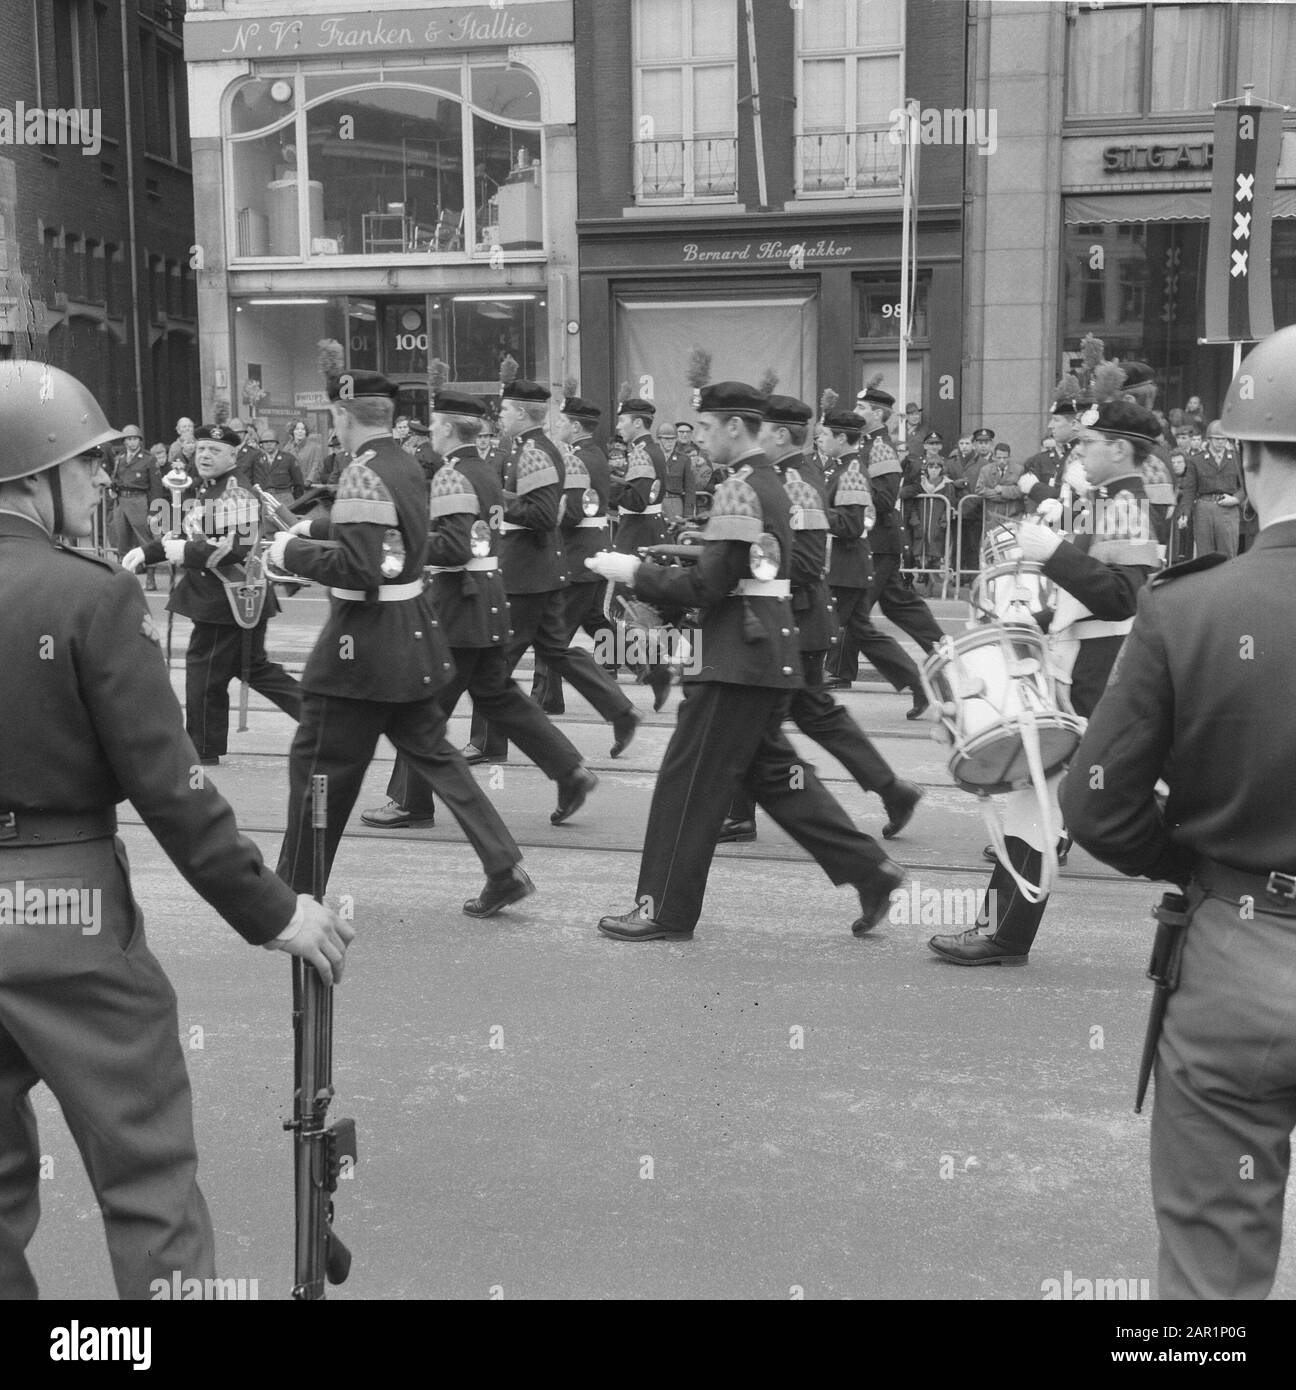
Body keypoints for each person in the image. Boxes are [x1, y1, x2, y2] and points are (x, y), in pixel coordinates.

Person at [0, 361, 350, 1300]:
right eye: (84, 468)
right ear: (33, 477)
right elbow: (173, 787)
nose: (98, 486)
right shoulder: (89, 594)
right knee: (146, 1176)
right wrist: (276, 912)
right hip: (63, 912)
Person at [1060, 326, 1296, 1299]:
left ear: (1243, 456)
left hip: (1240, 950)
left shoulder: (1193, 607)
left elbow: (1097, 804)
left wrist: (1193, 861)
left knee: (1209, 1284)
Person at [588, 382, 905, 942]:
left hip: (735, 658)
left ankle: (662, 908)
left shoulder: (740, 488)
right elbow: (738, 567)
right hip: (765, 653)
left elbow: (711, 584)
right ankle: (871, 872)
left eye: (707, 427)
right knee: (779, 780)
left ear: (735, 426)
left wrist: (634, 573)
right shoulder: (779, 482)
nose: (701, 437)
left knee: (686, 787)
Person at [268, 370, 536, 917]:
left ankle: (294, 890)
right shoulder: (411, 465)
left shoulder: (363, 473)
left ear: (343, 416)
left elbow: (362, 566)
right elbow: (390, 541)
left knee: (320, 768)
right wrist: (312, 529)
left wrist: (286, 556)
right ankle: (503, 865)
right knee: (439, 759)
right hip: (412, 638)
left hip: (360, 648)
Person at [928, 400, 1163, 966]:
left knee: (1044, 803)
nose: (1078, 450)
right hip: (1082, 665)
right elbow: (1083, 600)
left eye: (1089, 442)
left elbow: (1121, 596)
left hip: (1098, 675)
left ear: (1121, 448)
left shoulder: (1125, 503)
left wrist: (1053, 551)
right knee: (1037, 801)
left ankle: (1002, 935)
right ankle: (1000, 934)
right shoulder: (1107, 501)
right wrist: (1023, 624)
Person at [361, 389, 597, 831]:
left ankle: (411, 803)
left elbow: (451, 548)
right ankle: (570, 770)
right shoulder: (484, 470)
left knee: (424, 707)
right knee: (500, 697)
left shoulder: (453, 476)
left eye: (433, 425)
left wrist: (404, 546)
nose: (429, 431)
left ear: (448, 428)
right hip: (488, 599)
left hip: (457, 605)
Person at [717, 395, 923, 847]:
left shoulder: (795, 480)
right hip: (795, 621)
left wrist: (750, 564)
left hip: (796, 620)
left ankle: (761, 814)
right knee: (808, 716)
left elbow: (807, 563)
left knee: (756, 725)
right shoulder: (790, 475)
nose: (756, 438)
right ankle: (891, 791)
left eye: (763, 430)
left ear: (781, 435)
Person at [463, 380, 642, 765]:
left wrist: (499, 503)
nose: (501, 416)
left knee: (495, 663)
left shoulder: (535, 452)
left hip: (526, 573)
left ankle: (493, 744)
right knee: (556, 649)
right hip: (538, 569)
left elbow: (543, 516)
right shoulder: (530, 448)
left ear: (523, 413)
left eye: (507, 410)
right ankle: (620, 711)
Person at [124, 424, 302, 766]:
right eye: (202, 449)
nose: (204, 456)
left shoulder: (237, 492)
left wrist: (183, 553)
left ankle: (202, 748)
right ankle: (320, 720)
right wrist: (149, 553)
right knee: (252, 668)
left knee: (205, 673)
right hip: (228, 597)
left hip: (226, 598)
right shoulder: (210, 489)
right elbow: (185, 532)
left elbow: (236, 548)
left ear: (234, 455)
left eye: (214, 451)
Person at [819, 408, 929, 718]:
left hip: (845, 567)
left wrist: (813, 514)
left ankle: (799, 696)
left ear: (842, 437)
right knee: (865, 633)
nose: (821, 440)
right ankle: (922, 685)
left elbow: (853, 524)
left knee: (816, 629)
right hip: (844, 566)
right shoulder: (841, 466)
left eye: (826, 435)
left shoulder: (853, 468)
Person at [530, 396, 619, 714]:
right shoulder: (594, 454)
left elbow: (574, 510)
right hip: (594, 548)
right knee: (595, 619)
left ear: (576, 426)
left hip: (577, 552)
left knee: (552, 631)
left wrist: (544, 518)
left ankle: (547, 696)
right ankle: (652, 670)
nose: (559, 426)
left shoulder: (576, 459)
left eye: (564, 421)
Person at [852, 385, 945, 685]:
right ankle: (946, 658)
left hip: (879, 539)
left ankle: (922, 676)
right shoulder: (866, 444)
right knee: (899, 606)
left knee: (854, 615)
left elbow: (883, 497)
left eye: (861, 407)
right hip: (878, 540)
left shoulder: (878, 446)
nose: (855, 412)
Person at [109, 423, 164, 591]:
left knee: (145, 540)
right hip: (122, 501)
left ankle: (150, 577)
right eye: (128, 439)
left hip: (139, 500)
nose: (132, 442)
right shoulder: (119, 458)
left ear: (139, 441)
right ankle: (124, 577)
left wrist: (153, 511)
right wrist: (113, 488)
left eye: (134, 439)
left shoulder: (148, 459)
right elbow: (116, 478)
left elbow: (156, 487)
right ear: (124, 441)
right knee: (121, 539)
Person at [1182, 419, 1243, 559]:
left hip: (1228, 508)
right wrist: (1185, 513)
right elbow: (1189, 489)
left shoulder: (1236, 458)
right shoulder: (1196, 460)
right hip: (1204, 508)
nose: (1220, 442)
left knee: (1228, 551)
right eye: (1216, 439)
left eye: (1223, 439)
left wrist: (1236, 499)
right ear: (1209, 439)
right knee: (1205, 553)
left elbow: (1245, 486)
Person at [263, 425, 305, 505]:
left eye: (271, 442)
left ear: (276, 443)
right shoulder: (259, 460)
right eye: (265, 442)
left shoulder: (288, 459)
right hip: (266, 498)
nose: (268, 444)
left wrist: (297, 503)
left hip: (285, 498)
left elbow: (298, 483)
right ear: (261, 444)